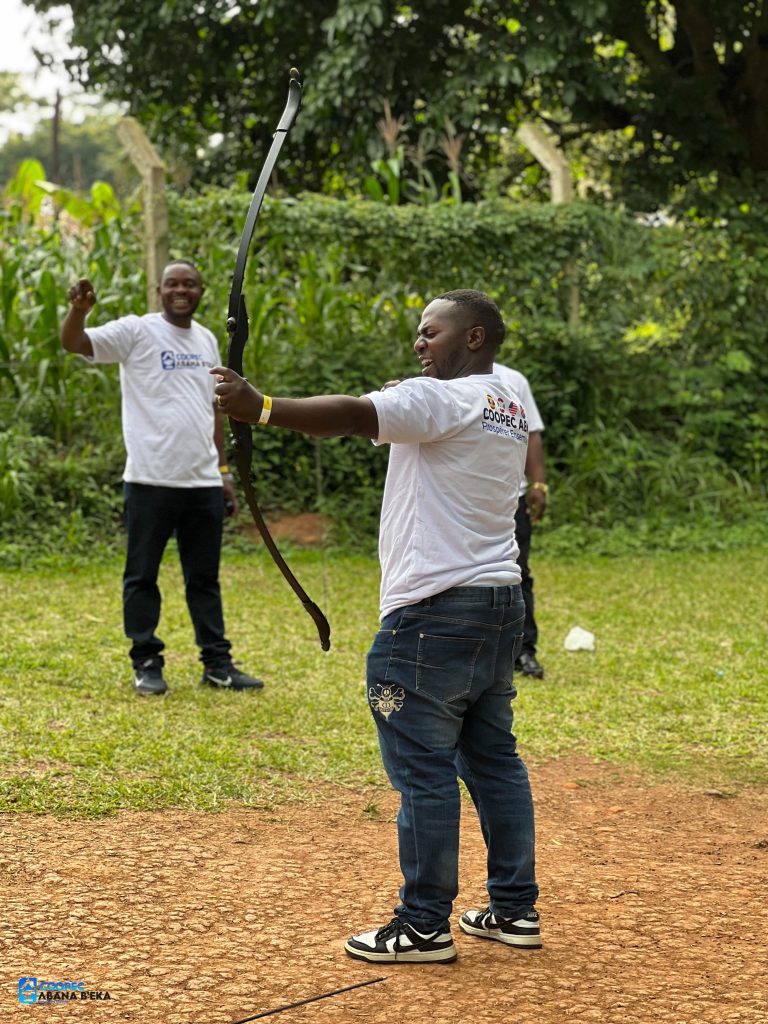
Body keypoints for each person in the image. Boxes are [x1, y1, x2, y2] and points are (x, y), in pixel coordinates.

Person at [212, 289, 541, 964]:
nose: (420, 343)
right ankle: (513, 910)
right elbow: (391, 405)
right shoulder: (504, 397)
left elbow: (353, 415)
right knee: (494, 763)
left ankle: (422, 926)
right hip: (499, 606)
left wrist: (260, 408)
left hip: (432, 617)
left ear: (474, 339)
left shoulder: (441, 399)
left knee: (424, 772)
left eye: (432, 332)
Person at [60, 260, 264, 697]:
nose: (181, 290)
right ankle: (147, 661)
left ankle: (217, 664)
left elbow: (214, 409)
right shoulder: (137, 332)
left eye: (189, 283)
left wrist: (223, 471)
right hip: (150, 480)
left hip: (202, 483)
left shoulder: (207, 338)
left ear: (201, 290)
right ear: (159, 289)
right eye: (172, 283)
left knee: (204, 579)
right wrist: (79, 310)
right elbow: (75, 343)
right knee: (142, 576)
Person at [493, 363, 547, 679]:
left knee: (517, 573)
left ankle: (524, 651)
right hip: (461, 503)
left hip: (511, 498)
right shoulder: (439, 379)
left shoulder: (513, 379)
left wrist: (538, 483)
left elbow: (532, 433)